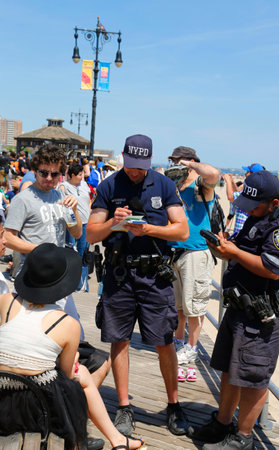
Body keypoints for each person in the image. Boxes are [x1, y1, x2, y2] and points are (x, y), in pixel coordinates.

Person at [86, 134, 190, 437]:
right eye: (131, 165)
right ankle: (123, 406)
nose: (135, 172)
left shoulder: (163, 184)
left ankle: (174, 405)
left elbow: (181, 230)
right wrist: (114, 224)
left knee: (164, 341)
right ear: (123, 157)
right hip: (119, 275)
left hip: (154, 276)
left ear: (150, 161)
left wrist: (150, 230)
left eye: (141, 167)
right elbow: (92, 234)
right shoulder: (108, 186)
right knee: (119, 340)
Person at [189, 170, 279, 450]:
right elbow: (245, 243)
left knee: (252, 378)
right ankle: (222, 424)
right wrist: (228, 244)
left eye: (255, 206)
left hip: (263, 314)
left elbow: (273, 269)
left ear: (275, 203)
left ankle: (244, 437)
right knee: (230, 369)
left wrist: (233, 253)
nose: (250, 211)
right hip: (240, 307)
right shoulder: (259, 213)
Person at [0, 243, 146, 450]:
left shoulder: (5, 302)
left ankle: (110, 439)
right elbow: (67, 374)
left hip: (3, 391)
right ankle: (106, 439)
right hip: (36, 403)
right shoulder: (66, 323)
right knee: (82, 376)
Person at [3, 144, 84, 337]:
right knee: (35, 332)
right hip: (32, 275)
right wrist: (40, 250)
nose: (49, 179)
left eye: (54, 175)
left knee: (74, 332)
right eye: (43, 173)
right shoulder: (23, 199)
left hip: (58, 275)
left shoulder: (61, 196)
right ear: (35, 171)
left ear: (61, 175)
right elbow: (7, 238)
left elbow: (77, 234)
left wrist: (74, 211)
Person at [167, 146, 220, 368]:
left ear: (190, 162)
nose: (175, 166)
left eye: (179, 162)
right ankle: (179, 340)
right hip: (175, 252)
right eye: (173, 162)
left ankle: (192, 347)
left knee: (195, 306)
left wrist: (190, 166)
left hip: (196, 252)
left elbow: (213, 174)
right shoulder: (174, 187)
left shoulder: (201, 187)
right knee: (179, 306)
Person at [59, 163, 91, 292]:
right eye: (80, 174)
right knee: (72, 252)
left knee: (83, 252)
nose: (83, 176)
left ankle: (81, 284)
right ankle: (69, 282)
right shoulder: (64, 187)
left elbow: (89, 200)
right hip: (72, 224)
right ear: (72, 175)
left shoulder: (84, 185)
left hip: (85, 223)